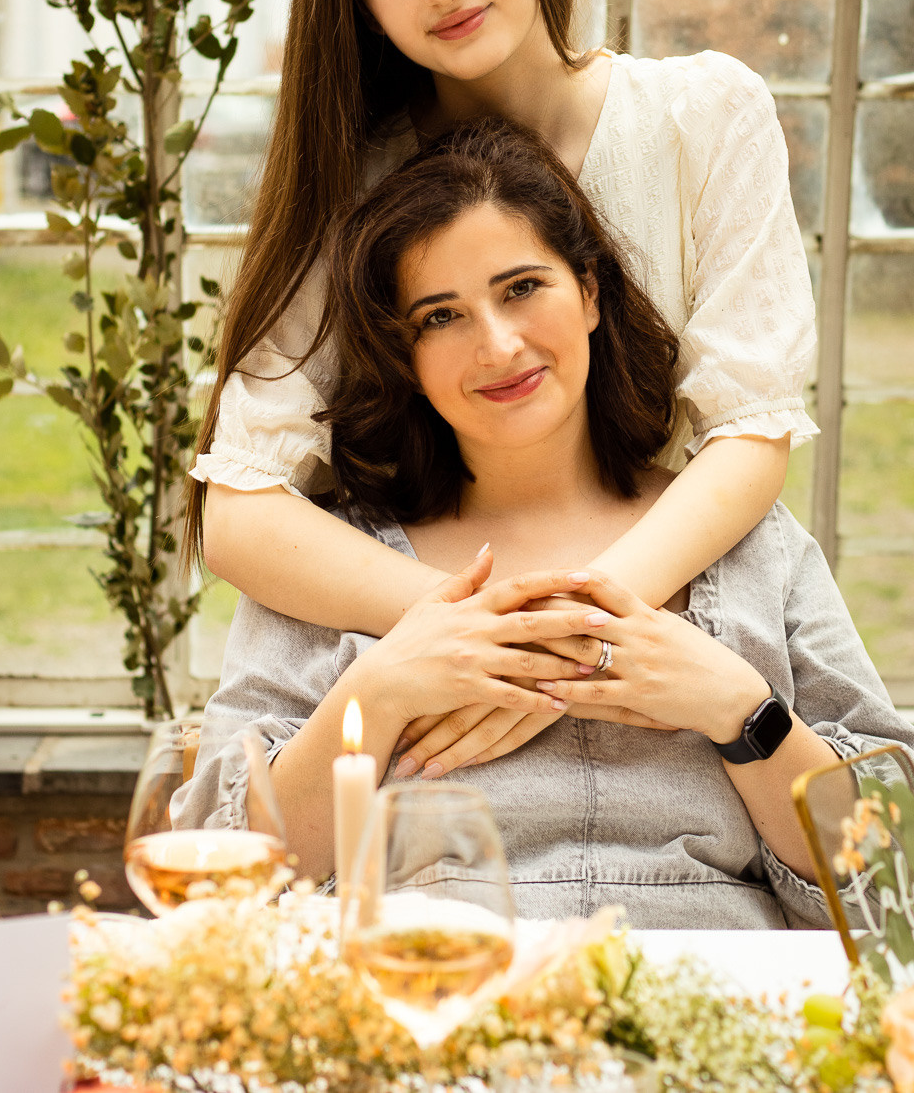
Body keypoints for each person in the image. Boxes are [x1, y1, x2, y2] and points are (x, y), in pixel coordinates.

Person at [185, 0, 818, 770]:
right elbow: (241, 511)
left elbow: (750, 427)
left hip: (673, 640)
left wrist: (592, 625)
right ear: (359, 1)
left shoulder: (703, 116)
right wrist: (492, 633)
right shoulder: (351, 179)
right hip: (434, 673)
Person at [179, 122, 912, 929]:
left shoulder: (750, 547)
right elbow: (220, 880)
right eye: (440, 317)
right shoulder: (325, 560)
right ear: (405, 360)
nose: (498, 346)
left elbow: (893, 880)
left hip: (714, 988)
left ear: (590, 291)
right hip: (433, 983)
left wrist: (742, 711)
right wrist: (378, 693)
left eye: (522, 287)